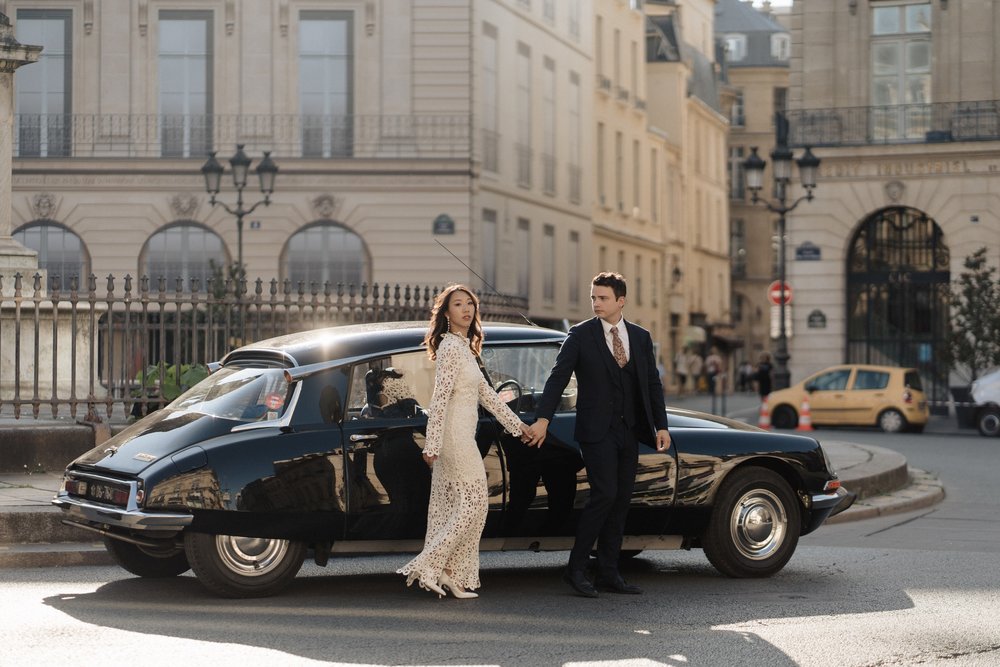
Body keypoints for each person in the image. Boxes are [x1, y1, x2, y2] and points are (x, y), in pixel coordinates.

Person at [524, 272, 670, 598]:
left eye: (602, 298)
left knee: (621, 499)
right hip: (596, 431)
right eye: (593, 297)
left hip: (629, 430)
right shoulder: (580, 335)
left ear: (621, 300)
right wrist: (543, 419)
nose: (596, 303)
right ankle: (575, 569)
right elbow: (557, 378)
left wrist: (661, 426)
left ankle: (608, 572)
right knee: (604, 494)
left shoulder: (640, 337)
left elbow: (652, 384)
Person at [397, 285, 530, 599]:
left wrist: (519, 426)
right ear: (446, 312)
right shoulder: (450, 347)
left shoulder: (464, 347)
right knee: (474, 505)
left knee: (456, 508)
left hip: (461, 435)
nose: (466, 309)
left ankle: (451, 574)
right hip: (455, 438)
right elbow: (440, 398)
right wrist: (432, 445)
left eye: (470, 303)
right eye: (458, 304)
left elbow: (488, 396)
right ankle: (431, 565)